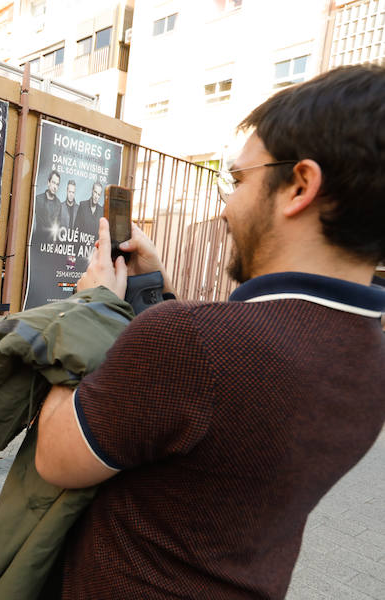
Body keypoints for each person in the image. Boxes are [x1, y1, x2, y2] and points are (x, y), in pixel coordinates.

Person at [34, 64, 385, 599]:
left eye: (239, 179)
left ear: (299, 186)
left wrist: (91, 305)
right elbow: (211, 412)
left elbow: (56, 457)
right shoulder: (372, 361)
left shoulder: (195, 342)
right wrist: (152, 289)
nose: (226, 207)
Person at [73, 181, 103, 271]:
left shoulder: (102, 210)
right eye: (95, 192)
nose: (96, 196)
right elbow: (76, 229)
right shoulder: (83, 205)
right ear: (92, 191)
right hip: (81, 252)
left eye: (98, 194)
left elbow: (101, 234)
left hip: (93, 254)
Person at [33, 169, 62, 239]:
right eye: (53, 182)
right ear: (48, 183)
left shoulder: (59, 204)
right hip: (38, 241)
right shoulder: (38, 199)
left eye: (57, 184)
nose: (55, 187)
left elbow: (58, 226)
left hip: (51, 244)